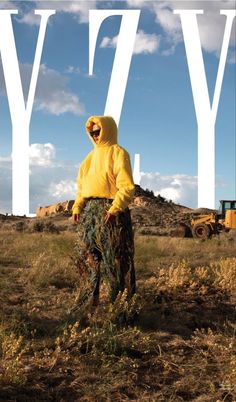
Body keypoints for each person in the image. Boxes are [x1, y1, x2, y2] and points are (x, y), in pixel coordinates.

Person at [72, 115, 136, 306]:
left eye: (98, 131)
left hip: (112, 212)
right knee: (89, 259)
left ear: (107, 130)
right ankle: (89, 305)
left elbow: (127, 187)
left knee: (118, 262)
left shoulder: (118, 153)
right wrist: (77, 207)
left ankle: (122, 308)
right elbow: (81, 188)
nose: (95, 135)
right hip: (90, 212)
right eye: (92, 133)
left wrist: (115, 209)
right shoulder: (89, 158)